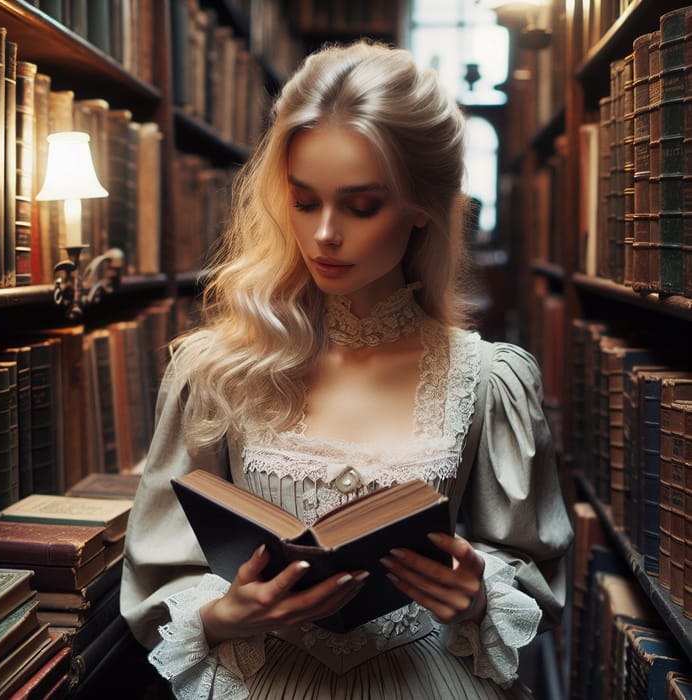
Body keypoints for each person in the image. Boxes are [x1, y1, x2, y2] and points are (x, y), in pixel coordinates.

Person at [120, 39, 574, 699]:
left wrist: (477, 596)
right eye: (305, 201)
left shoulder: (488, 378)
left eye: (362, 206)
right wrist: (224, 615)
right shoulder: (215, 369)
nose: (325, 234)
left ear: (423, 206)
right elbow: (159, 569)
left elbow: (531, 566)